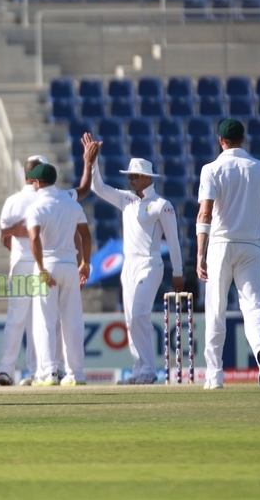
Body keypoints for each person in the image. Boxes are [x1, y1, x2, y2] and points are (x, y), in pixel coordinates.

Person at [81, 135, 184, 385]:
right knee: (130, 319)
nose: (130, 180)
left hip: (150, 264)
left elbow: (173, 240)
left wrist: (178, 272)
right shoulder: (126, 199)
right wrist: (92, 163)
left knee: (139, 315)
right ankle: (140, 371)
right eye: (129, 176)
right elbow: (98, 188)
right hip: (129, 265)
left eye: (134, 176)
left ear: (147, 178)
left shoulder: (161, 205)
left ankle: (148, 371)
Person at [197, 119, 260, 390]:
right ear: (243, 139)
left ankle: (215, 376)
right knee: (254, 304)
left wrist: (201, 252)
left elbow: (205, 214)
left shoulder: (211, 169)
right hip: (251, 244)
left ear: (220, 140)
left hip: (221, 244)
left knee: (216, 308)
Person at [25, 162, 91, 387]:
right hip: (70, 265)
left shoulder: (36, 207)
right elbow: (86, 236)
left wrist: (41, 268)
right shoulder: (71, 203)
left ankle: (48, 373)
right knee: (72, 320)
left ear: (36, 182)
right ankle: (76, 374)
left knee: (44, 321)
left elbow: (34, 238)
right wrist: (85, 263)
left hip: (48, 266)